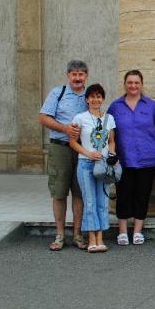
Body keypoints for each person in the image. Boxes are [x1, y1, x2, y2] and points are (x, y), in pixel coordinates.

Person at [107, 70, 155, 246]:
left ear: (141, 84)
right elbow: (110, 130)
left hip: (147, 157)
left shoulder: (151, 105)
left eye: (136, 83)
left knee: (142, 194)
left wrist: (144, 139)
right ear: (125, 84)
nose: (133, 86)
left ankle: (138, 231)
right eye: (130, 82)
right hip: (123, 158)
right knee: (123, 194)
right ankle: (123, 231)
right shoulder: (115, 106)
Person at [38, 60, 88, 251]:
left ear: (86, 76)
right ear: (68, 76)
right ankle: (59, 235)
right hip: (60, 148)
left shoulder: (90, 96)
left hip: (82, 149)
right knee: (59, 192)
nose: (77, 78)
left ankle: (77, 235)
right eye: (74, 74)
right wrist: (65, 128)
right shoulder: (57, 93)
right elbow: (43, 117)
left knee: (79, 192)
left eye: (81, 74)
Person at [69, 84, 115, 253]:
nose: (96, 100)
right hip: (85, 164)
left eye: (99, 96)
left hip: (103, 165)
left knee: (102, 202)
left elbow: (111, 141)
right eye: (92, 96)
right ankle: (91, 238)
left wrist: (112, 155)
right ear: (87, 99)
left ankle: (101, 237)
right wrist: (88, 154)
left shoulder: (109, 118)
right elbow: (72, 142)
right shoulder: (79, 118)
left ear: (103, 99)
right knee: (89, 201)